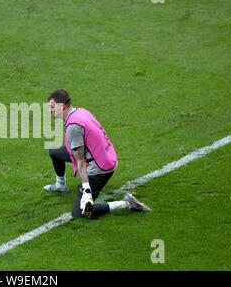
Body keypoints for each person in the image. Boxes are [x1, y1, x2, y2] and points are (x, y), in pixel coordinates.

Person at [44, 89, 151, 218]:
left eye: (52, 107)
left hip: (100, 168)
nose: (50, 110)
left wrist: (86, 191)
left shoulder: (73, 126)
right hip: (103, 156)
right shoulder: (80, 112)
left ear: (62, 106)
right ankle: (60, 185)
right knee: (55, 152)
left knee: (81, 212)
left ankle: (127, 203)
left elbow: (81, 161)